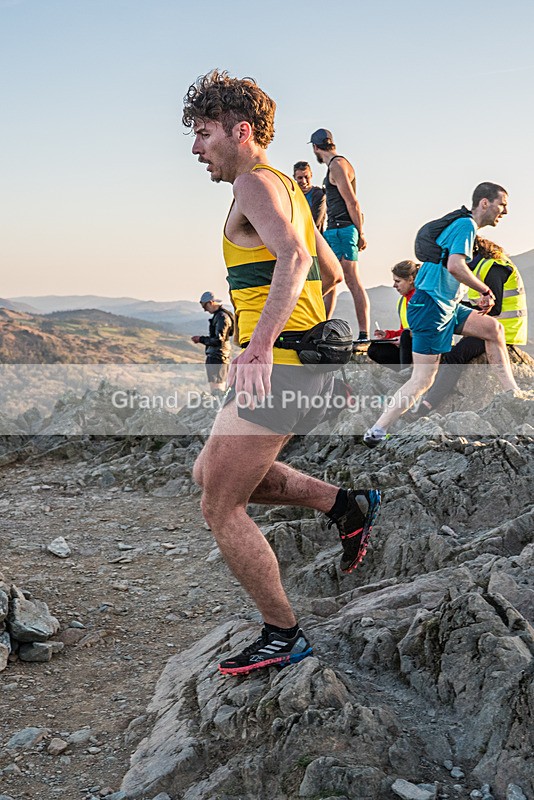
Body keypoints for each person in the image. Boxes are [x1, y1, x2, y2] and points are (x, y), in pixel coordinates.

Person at [183, 69, 382, 676]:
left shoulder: (251, 185)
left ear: (240, 131)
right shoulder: (288, 190)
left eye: (204, 133)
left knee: (220, 505)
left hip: (282, 370)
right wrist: (300, 333)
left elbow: (297, 258)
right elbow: (325, 267)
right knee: (211, 474)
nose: (196, 148)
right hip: (300, 366)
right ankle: (345, 506)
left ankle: (283, 632)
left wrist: (264, 342)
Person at [363, 182, 520, 448]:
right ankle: (378, 430)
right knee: (423, 379)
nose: (504, 210)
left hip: (446, 306)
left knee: (494, 330)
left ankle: (511, 394)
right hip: (430, 308)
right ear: (484, 203)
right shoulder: (466, 226)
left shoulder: (462, 226)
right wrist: (484, 290)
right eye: (501, 204)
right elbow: (456, 266)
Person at [414, 237, 528, 413]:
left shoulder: (493, 267)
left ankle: (428, 404)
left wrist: (454, 308)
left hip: (503, 329)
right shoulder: (480, 268)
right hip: (492, 328)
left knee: (455, 356)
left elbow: (494, 307)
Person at [309, 128, 369, 338]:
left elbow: (352, 201)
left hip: (344, 229)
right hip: (333, 231)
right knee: (330, 280)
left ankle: (363, 332)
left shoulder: (337, 165)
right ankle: (322, 329)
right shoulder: (335, 166)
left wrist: (360, 233)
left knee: (351, 280)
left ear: (316, 148)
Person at [367, 260, 418, 371]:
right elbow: (404, 330)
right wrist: (388, 335)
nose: (394, 285)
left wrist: (403, 338)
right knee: (375, 349)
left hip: (424, 346)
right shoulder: (402, 301)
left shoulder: (420, 299)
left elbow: (423, 330)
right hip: (408, 346)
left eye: (398, 281)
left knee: (405, 337)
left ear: (410, 280)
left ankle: (408, 375)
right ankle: (403, 373)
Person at [191, 291, 234, 396]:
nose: (205, 309)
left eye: (205, 306)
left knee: (217, 386)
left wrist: (201, 339)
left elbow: (219, 340)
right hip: (218, 355)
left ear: (211, 302)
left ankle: (218, 408)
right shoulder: (220, 316)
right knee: (216, 384)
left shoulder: (222, 317)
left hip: (218, 356)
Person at [293, 161, 326, 233]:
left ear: (311, 175)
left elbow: (315, 221)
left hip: (314, 239)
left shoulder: (319, 195)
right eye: (300, 178)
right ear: (294, 177)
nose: (304, 181)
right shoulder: (292, 195)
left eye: (306, 177)